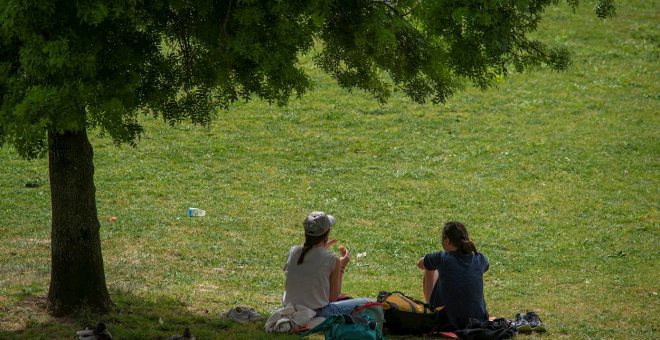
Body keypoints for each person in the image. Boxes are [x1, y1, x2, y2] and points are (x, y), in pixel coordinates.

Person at [283, 211, 371, 317]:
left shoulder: (293, 251)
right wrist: (341, 266)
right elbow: (332, 298)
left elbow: (303, 277)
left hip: (289, 307)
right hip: (318, 312)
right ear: (327, 232)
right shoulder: (332, 259)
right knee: (368, 303)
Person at [417, 221, 489, 330]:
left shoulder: (442, 258)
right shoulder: (480, 258)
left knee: (430, 267)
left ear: (446, 239)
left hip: (447, 321)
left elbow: (420, 263)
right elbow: (483, 268)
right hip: (478, 319)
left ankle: (431, 310)